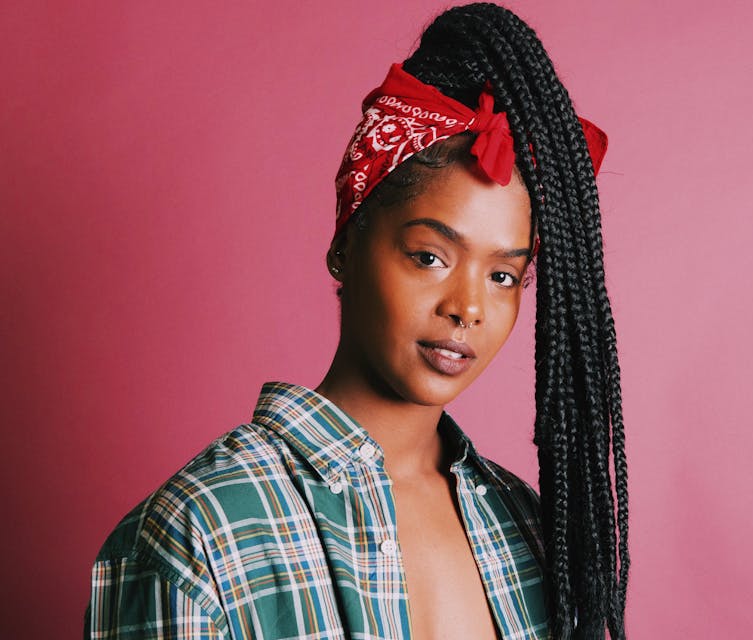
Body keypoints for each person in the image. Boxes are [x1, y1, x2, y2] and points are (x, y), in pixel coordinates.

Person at [85, 3, 629, 639]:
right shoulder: (201, 535)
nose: (468, 308)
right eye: (429, 256)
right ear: (346, 242)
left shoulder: (531, 530)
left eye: (503, 275)